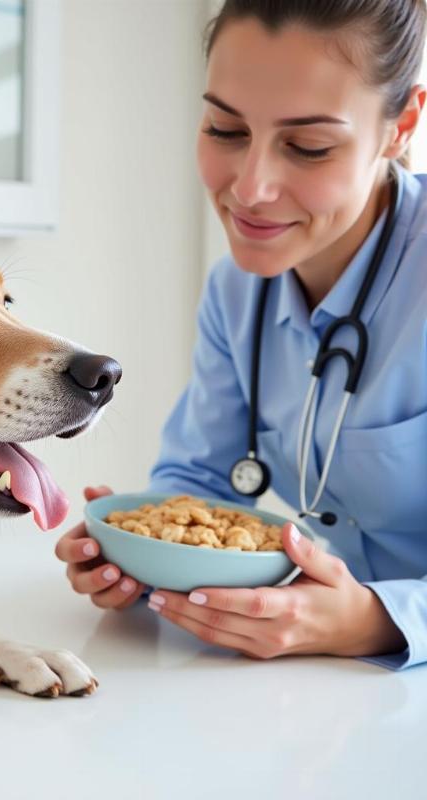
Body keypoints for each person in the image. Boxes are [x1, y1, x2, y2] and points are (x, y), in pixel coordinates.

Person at [55, 0, 427, 669]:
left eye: (308, 146)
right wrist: (143, 556)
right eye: (225, 129)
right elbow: (200, 481)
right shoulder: (237, 292)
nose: (250, 189)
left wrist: (376, 621)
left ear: (402, 126)